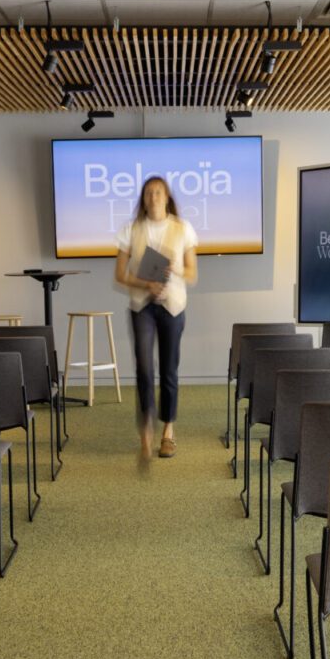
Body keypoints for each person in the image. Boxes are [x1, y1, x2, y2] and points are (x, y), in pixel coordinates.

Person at [114, 175, 198, 461]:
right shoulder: (131, 229)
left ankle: (168, 432)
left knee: (169, 370)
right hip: (142, 307)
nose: (153, 197)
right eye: (148, 193)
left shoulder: (182, 228)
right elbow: (119, 276)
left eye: (158, 192)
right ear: (143, 198)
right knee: (144, 368)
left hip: (172, 306)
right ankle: (146, 432)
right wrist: (144, 284)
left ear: (167, 196)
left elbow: (192, 274)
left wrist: (174, 269)